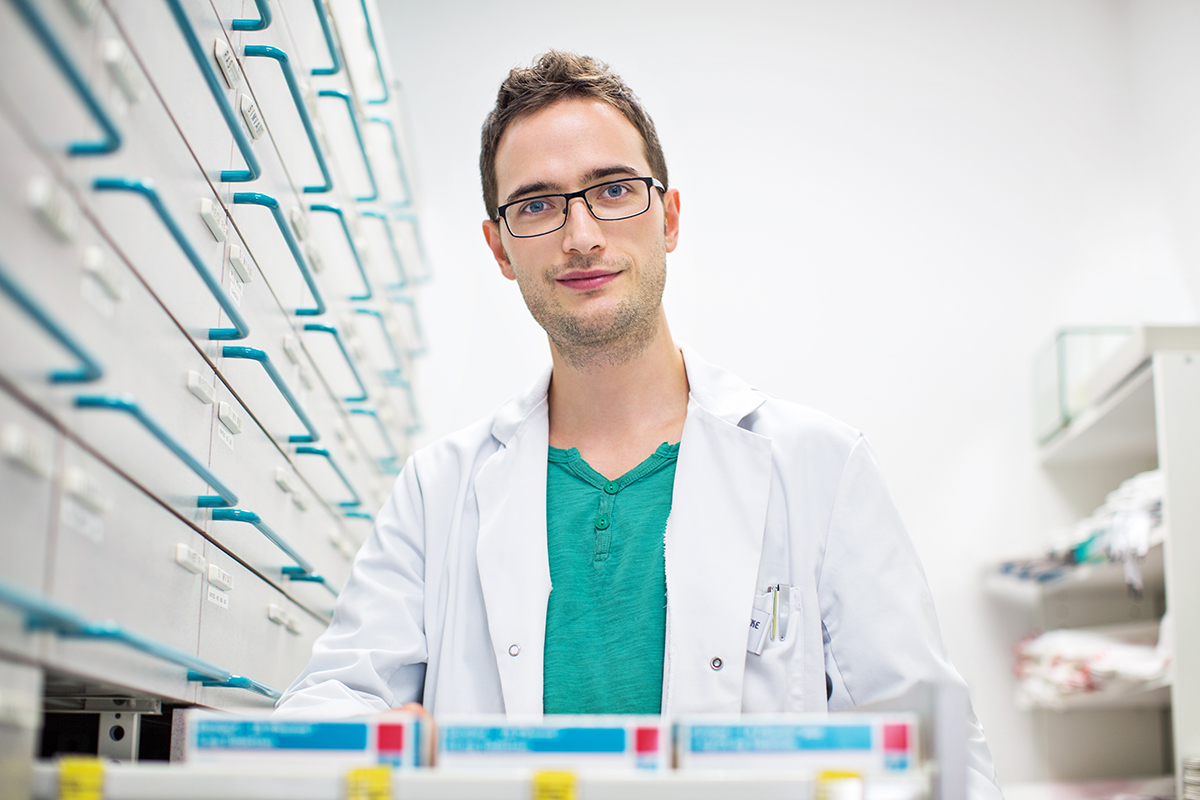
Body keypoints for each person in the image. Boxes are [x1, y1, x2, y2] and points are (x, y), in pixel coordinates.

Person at [276, 51, 1002, 799]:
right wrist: (367, 741)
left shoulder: (818, 465)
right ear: (499, 248)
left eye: (613, 190)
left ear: (671, 218)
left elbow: (935, 756)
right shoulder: (440, 489)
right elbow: (330, 702)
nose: (581, 235)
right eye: (536, 205)